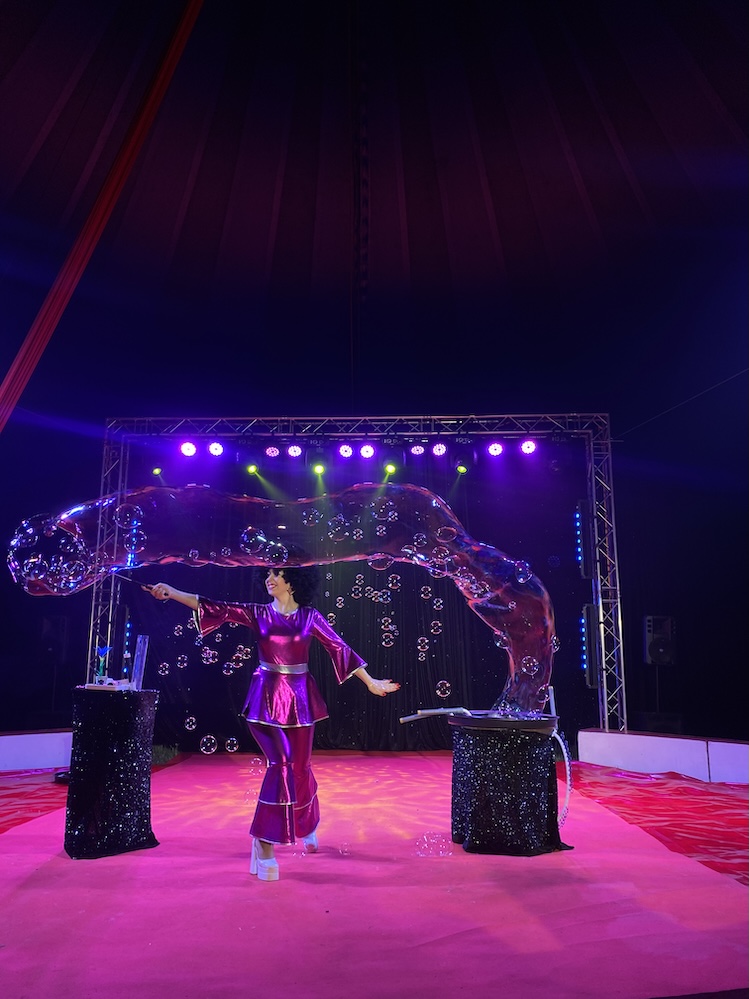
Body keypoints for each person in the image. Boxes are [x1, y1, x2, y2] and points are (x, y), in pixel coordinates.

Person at [144, 567, 399, 881]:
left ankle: (305, 823)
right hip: (265, 699)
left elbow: (339, 647)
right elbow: (214, 606)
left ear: (294, 581)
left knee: (301, 768)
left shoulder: (309, 617)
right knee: (281, 764)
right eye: (268, 573)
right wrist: (172, 592)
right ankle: (263, 842)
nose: (270, 578)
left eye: (277, 573)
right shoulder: (258, 613)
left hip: (301, 700)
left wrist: (370, 681)